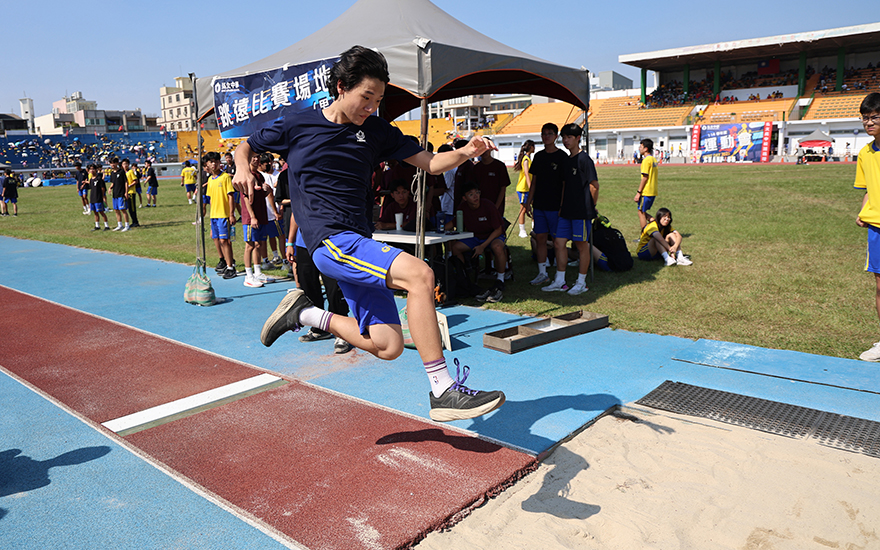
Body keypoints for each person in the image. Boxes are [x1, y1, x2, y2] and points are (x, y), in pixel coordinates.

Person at [234, 45, 504, 422]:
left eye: (378, 100)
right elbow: (246, 146)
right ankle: (444, 390)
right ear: (341, 87)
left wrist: (466, 151)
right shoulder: (298, 124)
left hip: (359, 240)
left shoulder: (376, 130)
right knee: (421, 275)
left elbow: (431, 163)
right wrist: (242, 168)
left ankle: (306, 313)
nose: (372, 107)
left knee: (388, 344)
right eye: (366, 97)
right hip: (330, 240)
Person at [541, 123, 598, 296]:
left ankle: (581, 283)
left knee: (581, 245)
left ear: (578, 138)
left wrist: (590, 207)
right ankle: (560, 280)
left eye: (569, 137)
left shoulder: (584, 159)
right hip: (565, 211)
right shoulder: (566, 160)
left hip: (581, 212)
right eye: (564, 137)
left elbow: (594, 185)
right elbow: (565, 185)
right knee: (559, 243)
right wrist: (561, 206)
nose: (566, 140)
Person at [853, 93, 880, 361]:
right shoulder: (865, 152)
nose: (869, 122)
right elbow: (869, 188)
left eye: (874, 117)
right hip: (877, 228)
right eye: (865, 118)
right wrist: (863, 212)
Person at [449, 182, 507, 303]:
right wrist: (438, 228)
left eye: (477, 193)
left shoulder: (488, 205)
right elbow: (453, 223)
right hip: (474, 237)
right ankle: (464, 275)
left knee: (497, 246)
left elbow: (498, 230)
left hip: (492, 235)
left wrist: (482, 246)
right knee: (455, 247)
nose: (475, 196)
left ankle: (500, 279)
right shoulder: (462, 208)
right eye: (471, 194)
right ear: (465, 198)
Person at [525, 123, 568, 285]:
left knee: (558, 241)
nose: (546, 136)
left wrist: (562, 205)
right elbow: (534, 182)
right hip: (540, 205)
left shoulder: (562, 157)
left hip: (555, 206)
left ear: (556, 136)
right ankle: (542, 273)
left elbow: (565, 184)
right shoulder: (539, 156)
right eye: (544, 134)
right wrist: (528, 202)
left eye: (550, 133)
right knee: (540, 238)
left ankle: (559, 274)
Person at [240, 152, 274, 288]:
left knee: (259, 244)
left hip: (261, 214)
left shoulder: (259, 176)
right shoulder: (246, 175)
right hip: (250, 217)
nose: (256, 159)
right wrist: (252, 217)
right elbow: (245, 198)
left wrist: (267, 191)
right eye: (253, 157)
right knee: (250, 245)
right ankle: (248, 275)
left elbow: (260, 196)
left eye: (257, 157)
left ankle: (258, 272)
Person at [204, 152, 237, 279]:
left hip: (224, 214)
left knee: (225, 241)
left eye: (216, 161)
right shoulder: (210, 180)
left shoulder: (225, 177)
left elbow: (230, 196)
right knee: (217, 239)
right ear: (207, 164)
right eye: (211, 162)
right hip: (214, 215)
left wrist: (231, 214)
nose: (214, 164)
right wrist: (211, 216)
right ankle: (226, 263)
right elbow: (211, 199)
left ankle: (230, 267)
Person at [633, 138, 658, 230]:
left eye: (641, 147)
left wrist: (639, 192)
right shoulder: (653, 159)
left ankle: (644, 234)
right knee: (643, 211)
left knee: (641, 212)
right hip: (653, 190)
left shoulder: (646, 160)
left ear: (646, 148)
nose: (639, 149)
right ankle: (656, 224)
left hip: (646, 191)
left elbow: (645, 177)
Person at [514, 140, 535, 238]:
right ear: (530, 147)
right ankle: (522, 230)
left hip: (529, 188)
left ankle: (534, 228)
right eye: (533, 146)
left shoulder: (529, 158)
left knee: (535, 208)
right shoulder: (525, 159)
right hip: (524, 189)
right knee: (523, 209)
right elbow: (526, 175)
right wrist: (531, 188)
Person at [108, 158, 131, 231]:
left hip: (121, 193)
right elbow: (113, 182)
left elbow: (126, 182)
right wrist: (110, 188)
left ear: (117, 163)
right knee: (116, 210)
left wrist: (126, 192)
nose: (112, 164)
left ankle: (127, 226)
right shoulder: (112, 173)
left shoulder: (121, 171)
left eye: (114, 163)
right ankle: (120, 225)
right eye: (111, 163)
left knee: (123, 210)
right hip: (115, 194)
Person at [86, 164, 110, 231]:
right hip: (92, 198)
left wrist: (101, 196)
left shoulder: (99, 178)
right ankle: (97, 226)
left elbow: (102, 188)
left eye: (93, 169)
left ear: (96, 169)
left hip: (98, 197)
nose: (92, 170)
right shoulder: (91, 179)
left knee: (101, 212)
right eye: (90, 169)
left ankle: (106, 226)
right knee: (95, 212)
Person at [122, 159, 140, 228]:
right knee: (128, 208)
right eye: (124, 164)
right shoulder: (123, 173)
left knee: (132, 208)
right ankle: (133, 221)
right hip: (126, 192)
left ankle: (135, 222)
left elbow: (136, 181)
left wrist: (129, 186)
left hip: (131, 192)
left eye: (126, 164)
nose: (125, 165)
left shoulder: (130, 172)